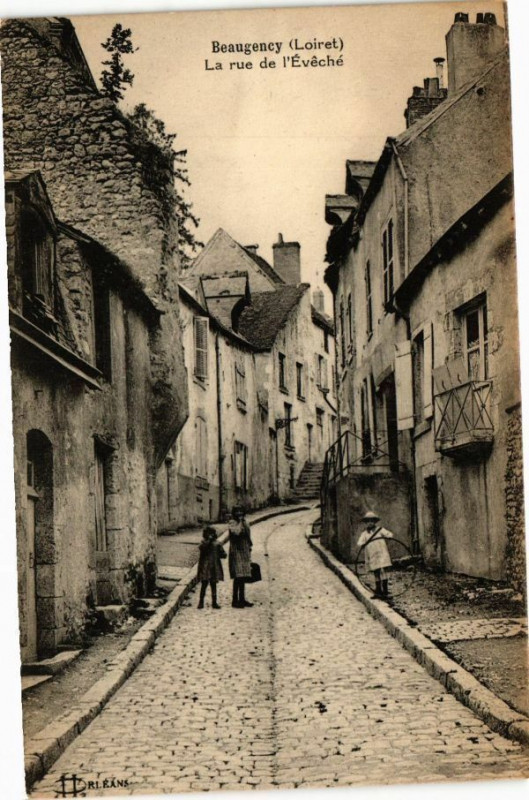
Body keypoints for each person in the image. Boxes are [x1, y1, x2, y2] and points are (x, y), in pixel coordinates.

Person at [356, 511, 394, 599]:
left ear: (375, 522)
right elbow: (359, 543)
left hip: (382, 553)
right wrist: (363, 543)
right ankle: (378, 591)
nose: (370, 523)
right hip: (372, 555)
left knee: (384, 571)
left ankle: (385, 591)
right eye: (368, 521)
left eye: (372, 521)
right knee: (376, 572)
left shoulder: (380, 530)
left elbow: (390, 534)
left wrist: (388, 536)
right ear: (365, 523)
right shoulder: (364, 534)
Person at [228, 506, 253, 608]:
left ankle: (242, 599)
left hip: (244, 550)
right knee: (238, 576)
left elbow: (248, 535)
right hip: (236, 551)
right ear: (234, 513)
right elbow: (237, 533)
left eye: (241, 511)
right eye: (237, 512)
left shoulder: (245, 522)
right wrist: (240, 522)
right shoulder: (232, 523)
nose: (239, 513)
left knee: (243, 576)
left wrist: (250, 546)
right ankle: (235, 600)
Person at [197, 526, 226, 609]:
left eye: (212, 534)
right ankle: (201, 601)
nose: (210, 535)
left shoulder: (217, 543)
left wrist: (223, 554)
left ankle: (214, 602)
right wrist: (208, 541)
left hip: (214, 567)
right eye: (208, 534)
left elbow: (222, 553)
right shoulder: (203, 543)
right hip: (205, 567)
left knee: (213, 585)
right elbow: (202, 549)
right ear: (205, 535)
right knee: (204, 584)